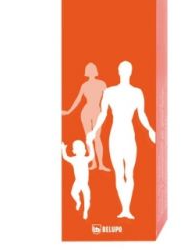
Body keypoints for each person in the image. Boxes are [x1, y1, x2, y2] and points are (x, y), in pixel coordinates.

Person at [87, 61, 156, 220]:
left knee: (129, 173)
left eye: (127, 69)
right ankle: (124, 209)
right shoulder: (109, 92)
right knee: (119, 173)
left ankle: (127, 209)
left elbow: (142, 115)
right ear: (119, 71)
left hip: (128, 135)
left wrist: (150, 129)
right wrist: (94, 131)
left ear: (130, 72)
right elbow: (103, 114)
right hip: (116, 136)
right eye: (123, 69)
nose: (125, 72)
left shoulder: (137, 92)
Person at [62, 63, 111, 171]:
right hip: (87, 112)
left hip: (96, 112)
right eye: (90, 70)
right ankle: (94, 163)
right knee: (90, 138)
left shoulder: (101, 84)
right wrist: (69, 111)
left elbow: (108, 98)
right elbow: (78, 99)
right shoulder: (86, 85)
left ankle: (100, 164)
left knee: (97, 138)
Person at [61, 138, 94, 220]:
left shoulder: (86, 159)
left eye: (82, 148)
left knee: (87, 198)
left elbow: (92, 155)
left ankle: (85, 211)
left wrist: (90, 145)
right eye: (77, 148)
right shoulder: (73, 159)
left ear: (85, 150)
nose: (80, 150)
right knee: (73, 193)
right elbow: (65, 157)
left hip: (85, 184)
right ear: (74, 151)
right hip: (77, 182)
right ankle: (78, 201)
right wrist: (63, 149)